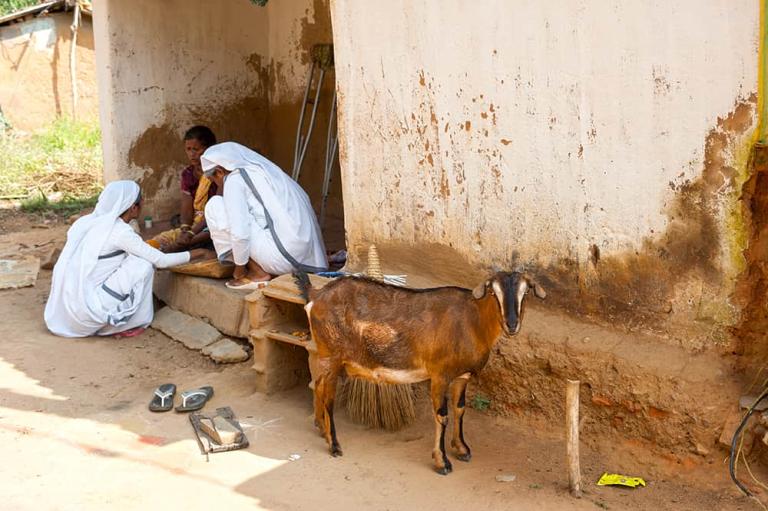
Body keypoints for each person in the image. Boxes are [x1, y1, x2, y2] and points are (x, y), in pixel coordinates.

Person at [44, 180, 207, 338]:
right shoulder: (121, 232)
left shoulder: (84, 222)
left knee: (134, 256)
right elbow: (161, 261)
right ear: (133, 207)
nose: (142, 205)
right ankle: (128, 324)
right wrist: (198, 253)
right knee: (143, 263)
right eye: (141, 202)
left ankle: (108, 316)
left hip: (67, 313)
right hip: (89, 316)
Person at [200, 142, 328, 290]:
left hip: (283, 259)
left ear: (220, 171)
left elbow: (240, 233)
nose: (217, 185)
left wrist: (239, 269)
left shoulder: (235, 178)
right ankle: (266, 266)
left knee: (214, 205)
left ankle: (257, 272)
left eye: (213, 181)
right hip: (311, 260)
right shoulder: (265, 171)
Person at [148, 126, 219, 252]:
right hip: (196, 224)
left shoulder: (218, 173)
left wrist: (189, 236)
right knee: (155, 242)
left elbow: (217, 213)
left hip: (213, 222)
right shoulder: (188, 174)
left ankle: (184, 246)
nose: (192, 154)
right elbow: (187, 206)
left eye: (196, 149)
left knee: (189, 241)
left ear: (209, 149)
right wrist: (185, 229)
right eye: (188, 149)